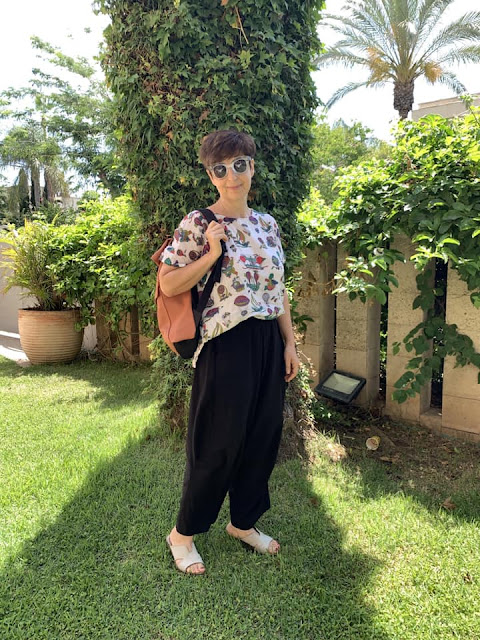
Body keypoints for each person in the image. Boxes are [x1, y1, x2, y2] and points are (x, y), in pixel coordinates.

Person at [160, 129, 300, 574]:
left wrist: (290, 341)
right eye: (221, 169)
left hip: (267, 342)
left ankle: (243, 523)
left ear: (251, 167)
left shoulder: (267, 224)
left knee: (262, 437)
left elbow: (278, 290)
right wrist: (211, 253)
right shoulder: (199, 223)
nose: (232, 175)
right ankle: (182, 534)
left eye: (240, 164)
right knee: (217, 442)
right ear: (211, 175)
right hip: (225, 342)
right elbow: (168, 283)